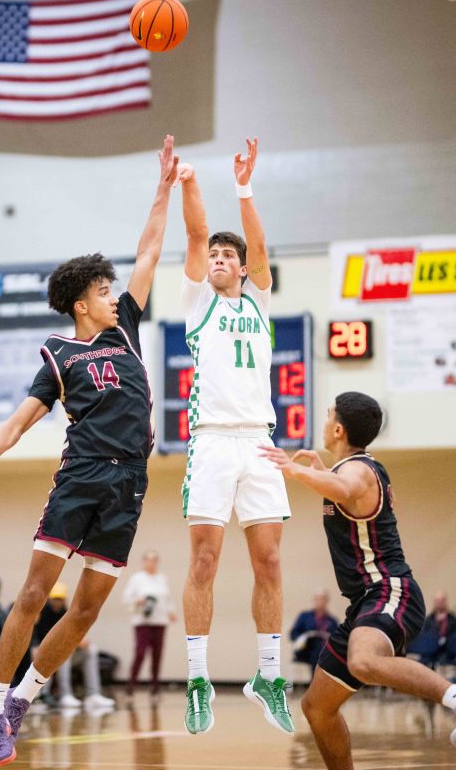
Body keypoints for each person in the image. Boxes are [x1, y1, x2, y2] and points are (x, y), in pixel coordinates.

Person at [0, 135, 177, 767]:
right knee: (34, 596)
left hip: (130, 484)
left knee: (89, 608)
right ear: (81, 303)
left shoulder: (126, 330)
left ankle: (23, 697)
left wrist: (164, 190)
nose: (113, 295)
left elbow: (150, 250)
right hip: (81, 478)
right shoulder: (60, 356)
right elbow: (20, 419)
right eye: (103, 290)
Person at [261, 392, 456, 768]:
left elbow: (346, 488)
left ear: (338, 428)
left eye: (329, 412)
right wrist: (321, 471)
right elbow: (341, 486)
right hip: (365, 603)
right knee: (318, 707)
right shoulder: (351, 468)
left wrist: (294, 470)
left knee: (363, 661)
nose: (325, 417)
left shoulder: (359, 470)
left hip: (390, 590)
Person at [174, 140, 293, 735]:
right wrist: (190, 183)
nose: (219, 258)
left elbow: (262, 248)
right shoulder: (199, 303)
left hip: (261, 442)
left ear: (243, 268)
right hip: (213, 441)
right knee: (205, 559)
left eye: (229, 255)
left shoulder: (260, 299)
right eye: (216, 254)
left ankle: (268, 675)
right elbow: (196, 237)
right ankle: (198, 680)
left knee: (269, 559)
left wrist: (244, 187)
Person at [35, 583, 115, 711]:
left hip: (64, 655)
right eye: (55, 599)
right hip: (46, 656)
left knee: (91, 650)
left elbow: (74, 633)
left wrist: (81, 640)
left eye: (60, 599)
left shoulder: (67, 613)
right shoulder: (42, 614)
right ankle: (65, 695)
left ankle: (93, 694)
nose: (57, 602)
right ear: (49, 599)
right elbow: (48, 640)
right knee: (64, 652)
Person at [121, 549, 175, 698]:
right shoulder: (137, 578)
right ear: (144, 562)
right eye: (148, 560)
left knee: (157, 654)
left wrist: (171, 612)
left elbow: (167, 598)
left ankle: (155, 685)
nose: (151, 563)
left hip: (160, 621)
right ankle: (131, 684)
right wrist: (138, 599)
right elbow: (126, 597)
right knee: (140, 653)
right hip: (142, 621)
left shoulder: (162, 578)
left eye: (154, 560)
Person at [290, 591, 339, 670]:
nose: (320, 602)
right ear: (314, 600)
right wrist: (305, 637)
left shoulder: (332, 621)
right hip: (306, 653)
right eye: (317, 599)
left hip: (324, 654)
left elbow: (336, 639)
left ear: (327, 601)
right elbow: (293, 634)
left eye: (322, 599)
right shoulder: (304, 617)